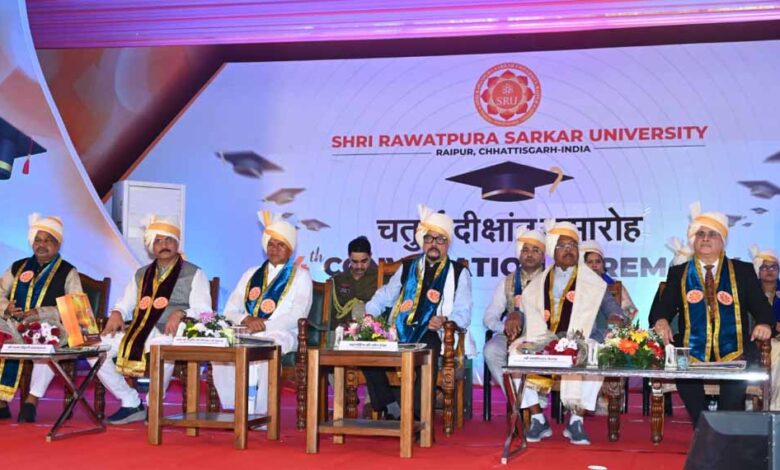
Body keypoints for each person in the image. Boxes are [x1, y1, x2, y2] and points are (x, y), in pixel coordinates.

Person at [650, 202, 774, 426]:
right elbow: (662, 308)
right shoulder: (679, 272)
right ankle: (704, 426)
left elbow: (763, 309)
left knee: (737, 374)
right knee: (682, 368)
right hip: (690, 346)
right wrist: (661, 320)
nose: (705, 239)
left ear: (722, 241)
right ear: (693, 240)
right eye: (700, 234)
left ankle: (724, 428)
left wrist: (764, 323)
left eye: (712, 234)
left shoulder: (742, 271)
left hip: (735, 346)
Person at [511, 219, 623, 445]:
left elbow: (614, 309)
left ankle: (576, 421)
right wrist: (515, 315)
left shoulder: (593, 282)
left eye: (572, 245)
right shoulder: (538, 282)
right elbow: (524, 309)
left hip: (580, 340)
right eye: (562, 246)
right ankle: (537, 418)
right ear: (553, 250)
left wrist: (614, 318)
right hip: (544, 339)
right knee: (515, 354)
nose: (568, 250)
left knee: (597, 355)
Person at [97, 215, 212, 424]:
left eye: (169, 240)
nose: (164, 245)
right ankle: (130, 402)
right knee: (97, 349)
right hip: (140, 330)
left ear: (177, 243)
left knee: (162, 346)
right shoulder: (141, 274)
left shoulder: (194, 273)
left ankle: (154, 405)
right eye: (158, 241)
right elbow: (125, 303)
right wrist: (117, 312)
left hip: (172, 331)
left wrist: (182, 313)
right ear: (151, 247)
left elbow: (205, 310)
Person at [363, 204, 472, 419]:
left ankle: (417, 415)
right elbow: (383, 297)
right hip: (398, 330)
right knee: (367, 349)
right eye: (429, 238)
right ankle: (391, 406)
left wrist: (444, 320)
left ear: (448, 243)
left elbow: (464, 313)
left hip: (433, 332)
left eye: (440, 239)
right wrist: (370, 316)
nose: (434, 244)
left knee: (428, 349)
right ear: (423, 241)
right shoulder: (406, 268)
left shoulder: (459, 273)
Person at [212, 211, 312, 415]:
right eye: (271, 244)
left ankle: (262, 413)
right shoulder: (251, 274)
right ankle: (235, 406)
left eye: (281, 244)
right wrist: (246, 319)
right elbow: (229, 310)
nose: (274, 249)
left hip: (284, 333)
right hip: (248, 330)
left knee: (267, 350)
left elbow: (298, 314)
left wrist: (265, 325)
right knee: (222, 347)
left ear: (290, 249)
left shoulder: (301, 276)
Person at [0, 214, 82, 422]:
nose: (42, 245)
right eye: (38, 240)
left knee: (47, 342)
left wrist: (41, 313)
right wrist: (7, 307)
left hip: (48, 326)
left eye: (48, 240)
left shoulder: (68, 271)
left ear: (58, 244)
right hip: (13, 324)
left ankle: (31, 401)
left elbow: (76, 306)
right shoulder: (18, 267)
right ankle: (1, 401)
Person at [483, 226, 545, 396]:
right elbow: (489, 317)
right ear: (519, 254)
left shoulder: (551, 280)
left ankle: (532, 400)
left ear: (543, 256)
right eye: (525, 250)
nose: (530, 254)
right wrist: (505, 328)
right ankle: (518, 398)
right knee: (491, 350)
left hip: (543, 336)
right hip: (511, 337)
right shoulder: (508, 281)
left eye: (535, 250)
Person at [749, 246, 780, 410]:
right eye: (764, 267)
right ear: (757, 270)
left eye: (773, 267)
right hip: (753, 340)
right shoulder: (749, 291)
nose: (769, 271)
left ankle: (773, 405)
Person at [330, 236, 378, 328]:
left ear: (370, 256)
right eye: (355, 262)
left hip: (370, 331)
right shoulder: (338, 280)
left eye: (364, 261)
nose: (359, 266)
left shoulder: (381, 278)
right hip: (341, 329)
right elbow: (331, 314)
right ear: (349, 258)